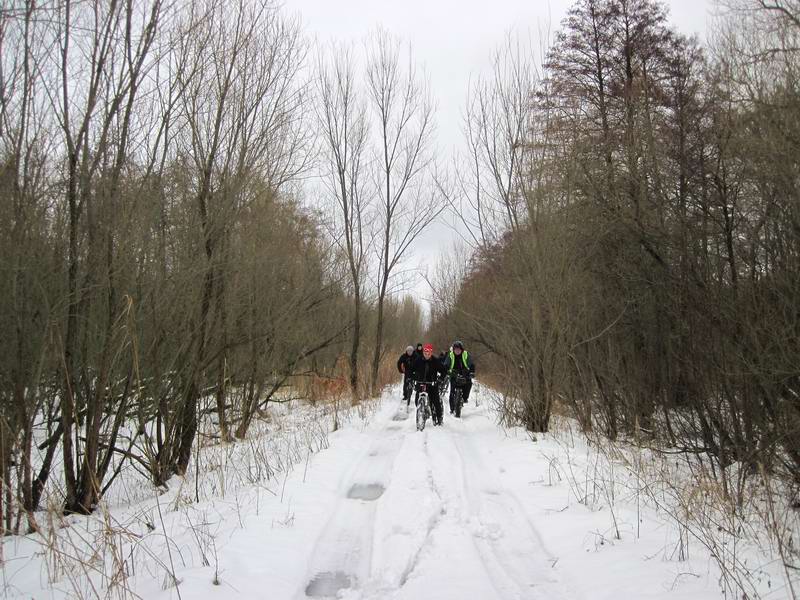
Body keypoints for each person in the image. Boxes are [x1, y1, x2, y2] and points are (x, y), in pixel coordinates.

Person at [411, 343, 447, 426]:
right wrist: (411, 378)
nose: (427, 355)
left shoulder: (435, 361)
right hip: (420, 383)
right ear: (423, 352)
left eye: (429, 353)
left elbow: (444, 371)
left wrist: (440, 380)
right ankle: (422, 411)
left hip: (432, 384)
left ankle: (439, 419)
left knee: (436, 401)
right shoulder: (418, 360)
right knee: (417, 401)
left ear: (431, 353)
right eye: (425, 353)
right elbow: (411, 369)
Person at [447, 340, 475, 415]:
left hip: (464, 372)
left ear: (461, 349)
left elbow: (471, 363)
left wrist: (472, 372)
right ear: (453, 349)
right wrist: (446, 370)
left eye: (459, 349)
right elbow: (446, 364)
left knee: (469, 383)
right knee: (452, 391)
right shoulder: (450, 355)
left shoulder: (466, 354)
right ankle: (452, 409)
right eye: (455, 349)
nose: (457, 351)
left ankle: (465, 398)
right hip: (453, 373)